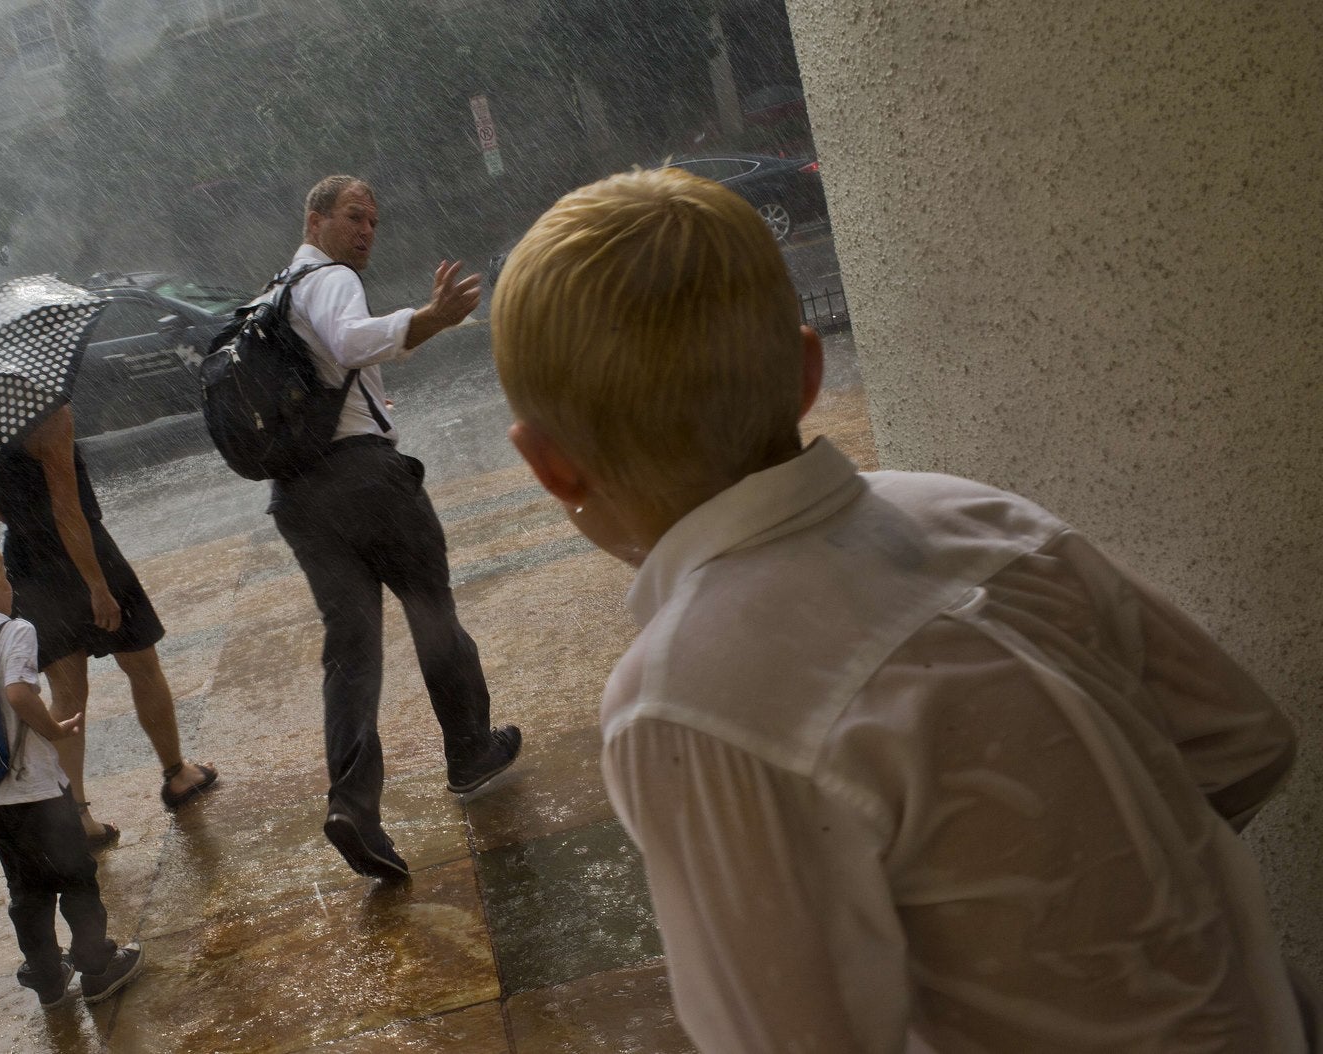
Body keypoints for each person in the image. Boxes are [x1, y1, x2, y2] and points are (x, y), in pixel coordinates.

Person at [489, 167, 1316, 1052]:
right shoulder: (977, 517)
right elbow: (1246, 742)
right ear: (808, 372)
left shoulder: (685, 703)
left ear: (548, 465)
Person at [269, 174, 521, 883]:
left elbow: (342, 357)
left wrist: (422, 326)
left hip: (299, 498)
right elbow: (351, 343)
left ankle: (353, 806)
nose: (366, 231)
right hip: (366, 481)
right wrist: (428, 315)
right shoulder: (331, 280)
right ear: (314, 219)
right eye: (354, 216)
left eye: (374, 220)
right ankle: (470, 751)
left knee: (351, 654)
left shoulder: (278, 292)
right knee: (431, 611)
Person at [0, 538, 144, 1009]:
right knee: (76, 875)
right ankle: (97, 967)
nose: (9, 584)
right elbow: (21, 694)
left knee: (26, 888)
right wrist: (55, 730)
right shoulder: (13, 631)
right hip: (39, 791)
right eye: (4, 575)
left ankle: (45, 976)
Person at [0, 403, 217, 848]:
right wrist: (96, 584)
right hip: (84, 554)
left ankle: (76, 816)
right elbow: (67, 507)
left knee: (67, 693)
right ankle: (177, 774)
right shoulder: (47, 412)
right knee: (141, 664)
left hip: (28, 563)